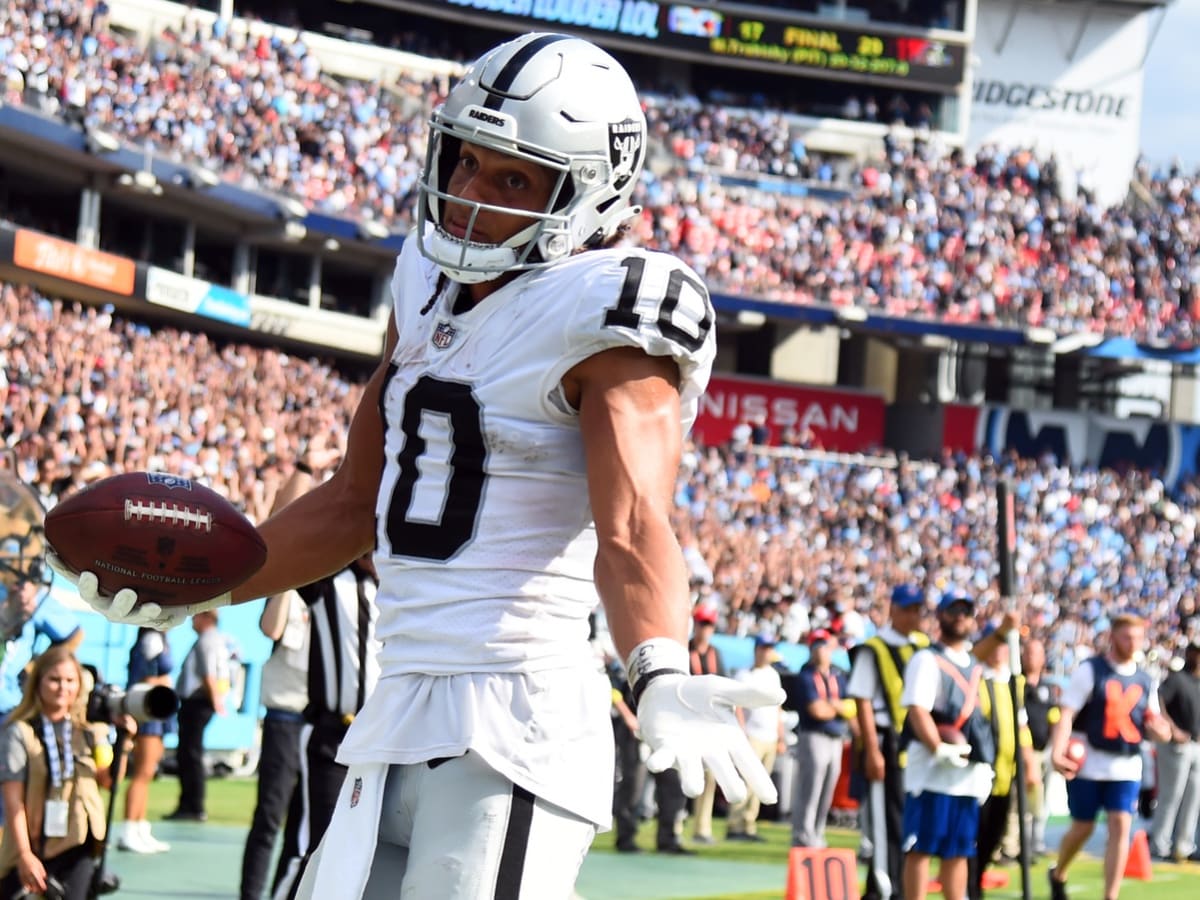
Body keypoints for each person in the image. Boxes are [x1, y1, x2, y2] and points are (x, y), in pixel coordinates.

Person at [60, 32, 783, 899]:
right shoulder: (423, 282)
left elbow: (634, 527)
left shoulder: (612, 308)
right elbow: (354, 502)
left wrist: (659, 665)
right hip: (395, 701)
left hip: (516, 718)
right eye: (466, 159)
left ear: (590, 197)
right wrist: (204, 588)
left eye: (513, 178)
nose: (471, 194)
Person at [1048, 612, 1172, 900]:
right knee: (1083, 827)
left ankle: (1110, 895)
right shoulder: (1091, 670)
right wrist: (1057, 750)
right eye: (1127, 636)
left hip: (1126, 764)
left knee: (1121, 825)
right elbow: (1068, 712)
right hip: (1090, 761)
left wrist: (1162, 732)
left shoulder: (1145, 678)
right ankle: (1059, 871)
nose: (1133, 643)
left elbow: (1154, 722)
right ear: (1113, 636)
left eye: (1138, 637)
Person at [0, 645, 129, 899]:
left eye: (70, 680)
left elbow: (108, 781)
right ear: (38, 683)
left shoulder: (90, 732)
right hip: (31, 843)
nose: (63, 687)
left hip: (76, 840)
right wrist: (25, 854)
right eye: (54, 679)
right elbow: (13, 801)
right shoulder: (19, 732)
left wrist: (124, 743)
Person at [900, 591, 997, 900]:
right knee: (922, 846)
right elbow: (918, 709)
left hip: (966, 773)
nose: (960, 617)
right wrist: (937, 747)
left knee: (960, 850)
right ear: (940, 615)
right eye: (954, 610)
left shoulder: (977, 664)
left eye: (966, 612)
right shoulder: (927, 658)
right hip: (932, 770)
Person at [848, 582, 929, 900]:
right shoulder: (875, 648)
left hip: (913, 745)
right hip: (886, 741)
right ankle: (883, 886)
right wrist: (872, 750)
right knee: (886, 823)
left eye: (917, 609)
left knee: (908, 820)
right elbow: (863, 700)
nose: (913, 615)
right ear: (893, 610)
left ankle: (899, 885)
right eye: (908, 609)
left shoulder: (923, 646)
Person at [240, 588, 309, 900]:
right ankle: (251, 894)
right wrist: (291, 581)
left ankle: (285, 892)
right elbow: (271, 629)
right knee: (269, 815)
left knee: (303, 826)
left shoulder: (344, 590)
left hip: (323, 722)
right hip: (285, 716)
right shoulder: (290, 592)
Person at [968, 625, 1033, 900]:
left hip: (1006, 773)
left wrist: (1029, 763)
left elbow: (1021, 726)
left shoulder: (1013, 683)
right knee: (974, 834)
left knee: (994, 835)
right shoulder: (976, 679)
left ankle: (977, 881)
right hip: (980, 771)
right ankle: (969, 886)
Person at [789, 628, 852, 848]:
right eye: (816, 646)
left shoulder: (837, 674)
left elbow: (850, 706)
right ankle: (802, 835)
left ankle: (817, 832)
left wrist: (836, 707)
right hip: (813, 735)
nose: (820, 651)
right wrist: (838, 707)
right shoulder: (806, 675)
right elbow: (817, 711)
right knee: (810, 787)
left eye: (824, 646)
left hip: (835, 737)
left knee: (827, 789)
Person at [168, 610, 231, 823]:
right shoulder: (217, 640)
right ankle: (191, 804)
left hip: (197, 702)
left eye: (196, 616)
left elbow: (208, 674)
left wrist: (215, 701)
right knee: (190, 753)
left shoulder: (207, 641)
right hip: (202, 702)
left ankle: (192, 805)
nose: (192, 620)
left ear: (207, 618)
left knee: (189, 754)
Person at [117, 627, 175, 854]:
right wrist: (165, 682)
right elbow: (147, 677)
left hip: (157, 709)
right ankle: (129, 828)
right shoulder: (152, 639)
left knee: (149, 771)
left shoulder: (159, 638)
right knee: (142, 772)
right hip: (147, 708)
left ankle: (140, 826)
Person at [726, 634, 785, 842]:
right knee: (746, 780)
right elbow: (737, 705)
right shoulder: (745, 674)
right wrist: (741, 730)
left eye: (770, 648)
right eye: (764, 648)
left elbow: (778, 707)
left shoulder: (773, 675)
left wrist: (781, 736)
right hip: (751, 734)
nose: (767, 652)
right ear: (757, 650)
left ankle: (749, 824)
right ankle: (735, 824)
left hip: (769, 735)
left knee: (760, 783)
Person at [1150, 641, 1200, 862]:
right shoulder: (1177, 679)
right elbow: (1158, 701)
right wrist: (1172, 729)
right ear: (1189, 654)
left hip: (1196, 745)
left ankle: (1183, 846)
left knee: (1194, 798)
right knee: (1172, 795)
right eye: (1195, 652)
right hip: (1175, 746)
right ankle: (1160, 845)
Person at [686, 605, 726, 845]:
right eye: (703, 623)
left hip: (709, 723)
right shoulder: (685, 650)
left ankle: (702, 827)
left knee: (709, 776)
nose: (706, 629)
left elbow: (721, 686)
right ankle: (676, 822)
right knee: (683, 775)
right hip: (687, 721)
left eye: (709, 624)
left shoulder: (715, 653)